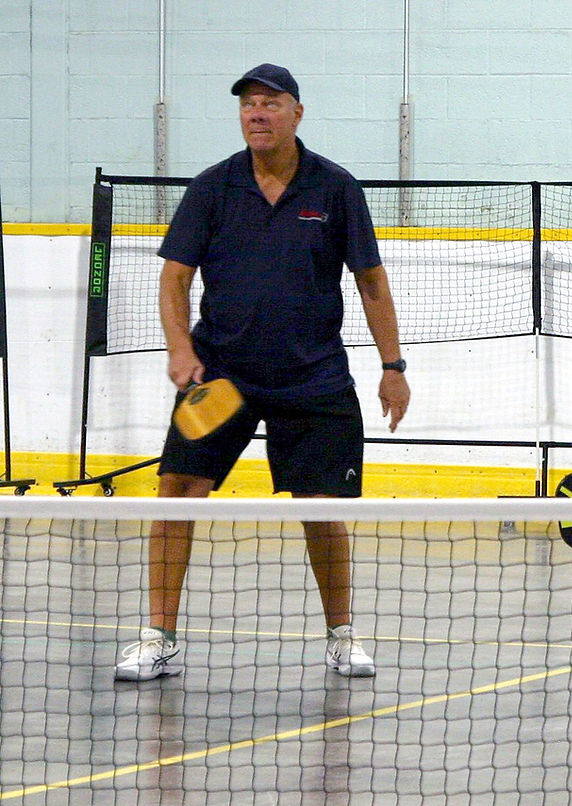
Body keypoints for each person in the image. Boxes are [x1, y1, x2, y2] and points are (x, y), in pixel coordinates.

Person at [115, 63, 410, 682]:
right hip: (220, 378)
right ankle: (158, 637)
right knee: (177, 494)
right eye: (249, 105)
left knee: (322, 508)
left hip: (314, 378)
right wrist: (178, 347)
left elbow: (371, 281)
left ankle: (341, 635)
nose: (257, 114)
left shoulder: (335, 189)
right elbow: (174, 276)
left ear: (296, 113)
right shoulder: (212, 188)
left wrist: (393, 366)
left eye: (270, 103)